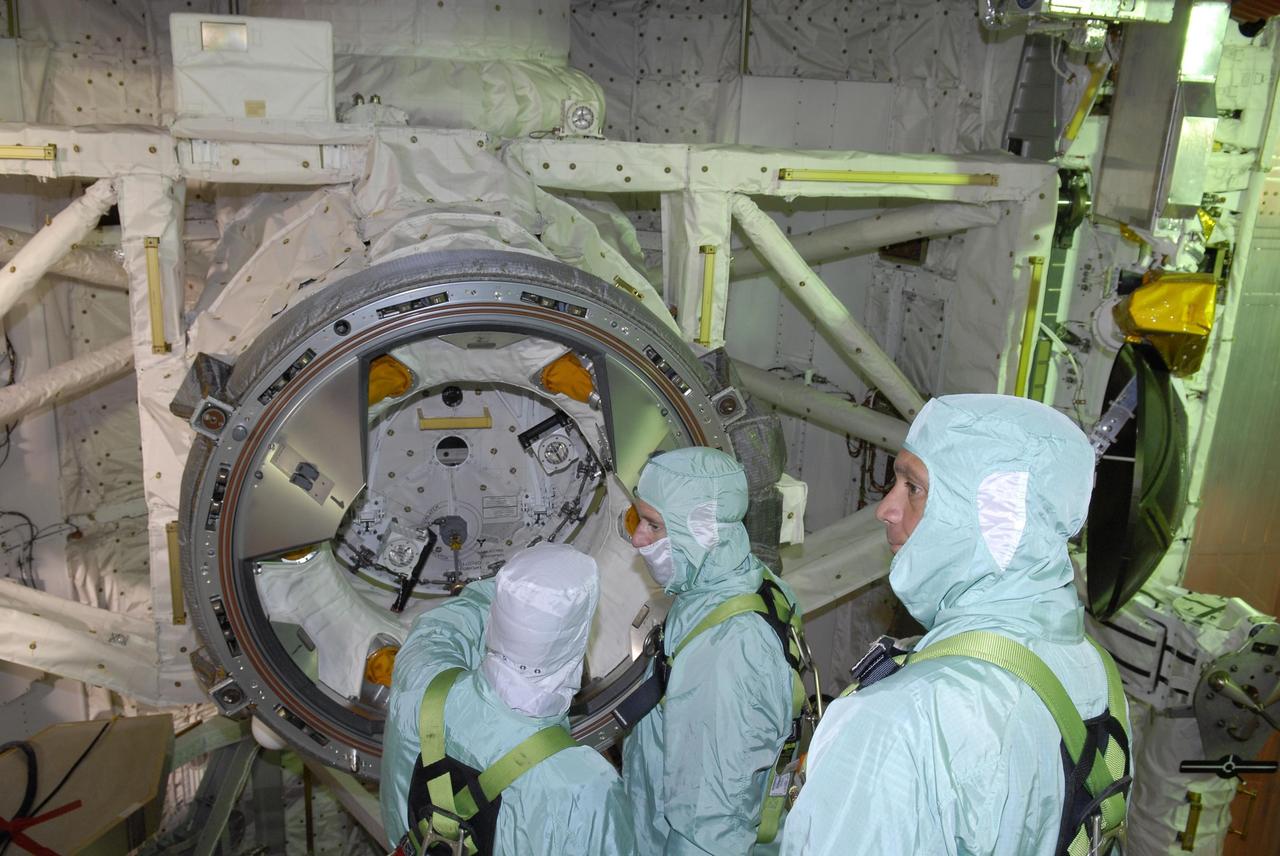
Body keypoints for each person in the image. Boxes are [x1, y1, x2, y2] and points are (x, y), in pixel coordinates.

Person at [780, 394, 1125, 856]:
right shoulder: (1097, 676)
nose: (886, 509)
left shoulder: (902, 721)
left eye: (913, 488)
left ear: (993, 516)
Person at [379, 542, 635, 856]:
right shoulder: (582, 786)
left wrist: (516, 588)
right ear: (579, 634)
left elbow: (445, 623)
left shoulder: (418, 676)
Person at [623, 446, 802, 855]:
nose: (637, 539)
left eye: (653, 526)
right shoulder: (742, 582)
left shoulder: (725, 654)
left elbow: (708, 830)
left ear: (701, 531)